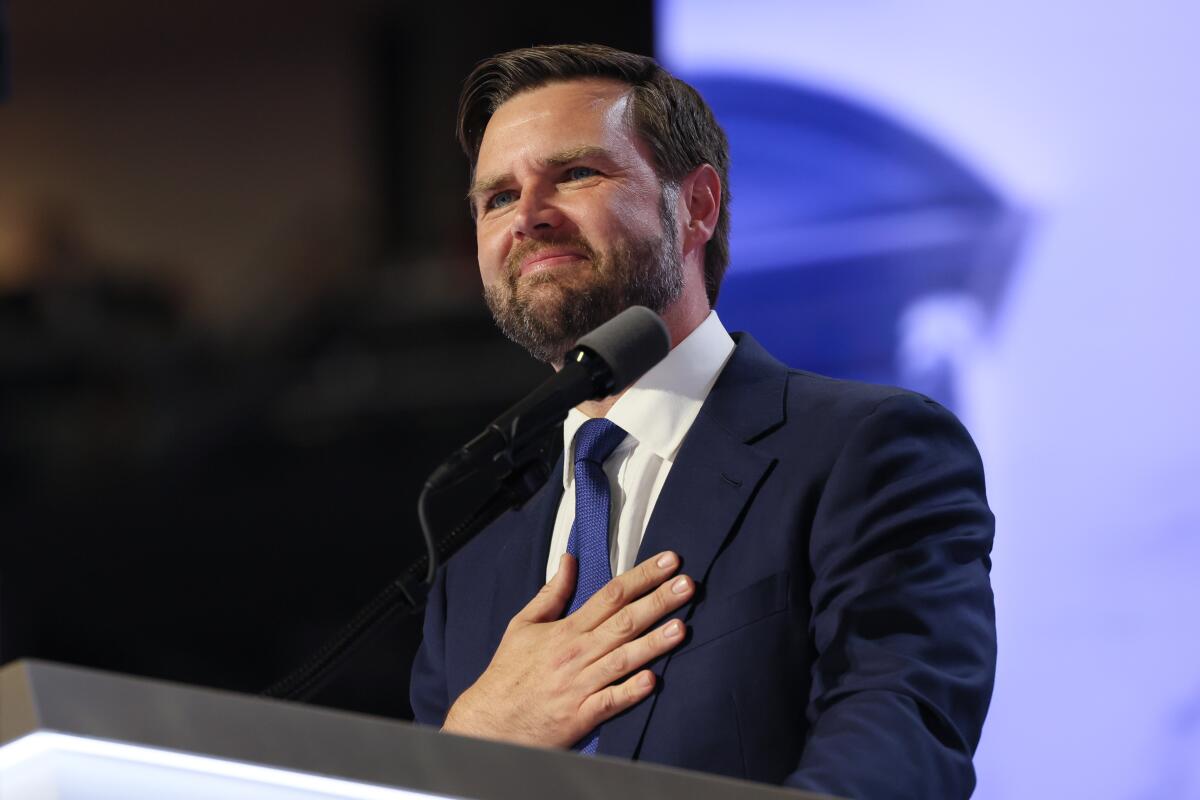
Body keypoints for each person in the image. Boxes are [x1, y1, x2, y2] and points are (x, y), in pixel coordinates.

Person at [410, 44, 996, 799]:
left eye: (576, 174)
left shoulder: (866, 452)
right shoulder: (476, 560)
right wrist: (471, 746)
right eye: (496, 198)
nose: (527, 216)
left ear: (697, 205)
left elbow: (900, 745)